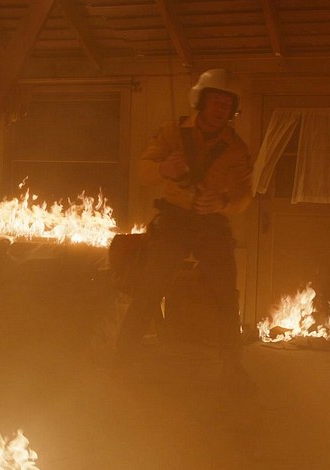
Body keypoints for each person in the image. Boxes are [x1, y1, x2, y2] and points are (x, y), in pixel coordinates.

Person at [117, 68, 254, 388]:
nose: (221, 109)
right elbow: (143, 170)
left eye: (227, 104)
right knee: (149, 289)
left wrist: (222, 202)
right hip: (174, 221)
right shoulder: (172, 133)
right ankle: (122, 360)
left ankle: (232, 367)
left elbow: (244, 194)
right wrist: (164, 168)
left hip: (212, 224)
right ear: (201, 101)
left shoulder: (236, 148)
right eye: (216, 101)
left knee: (226, 296)